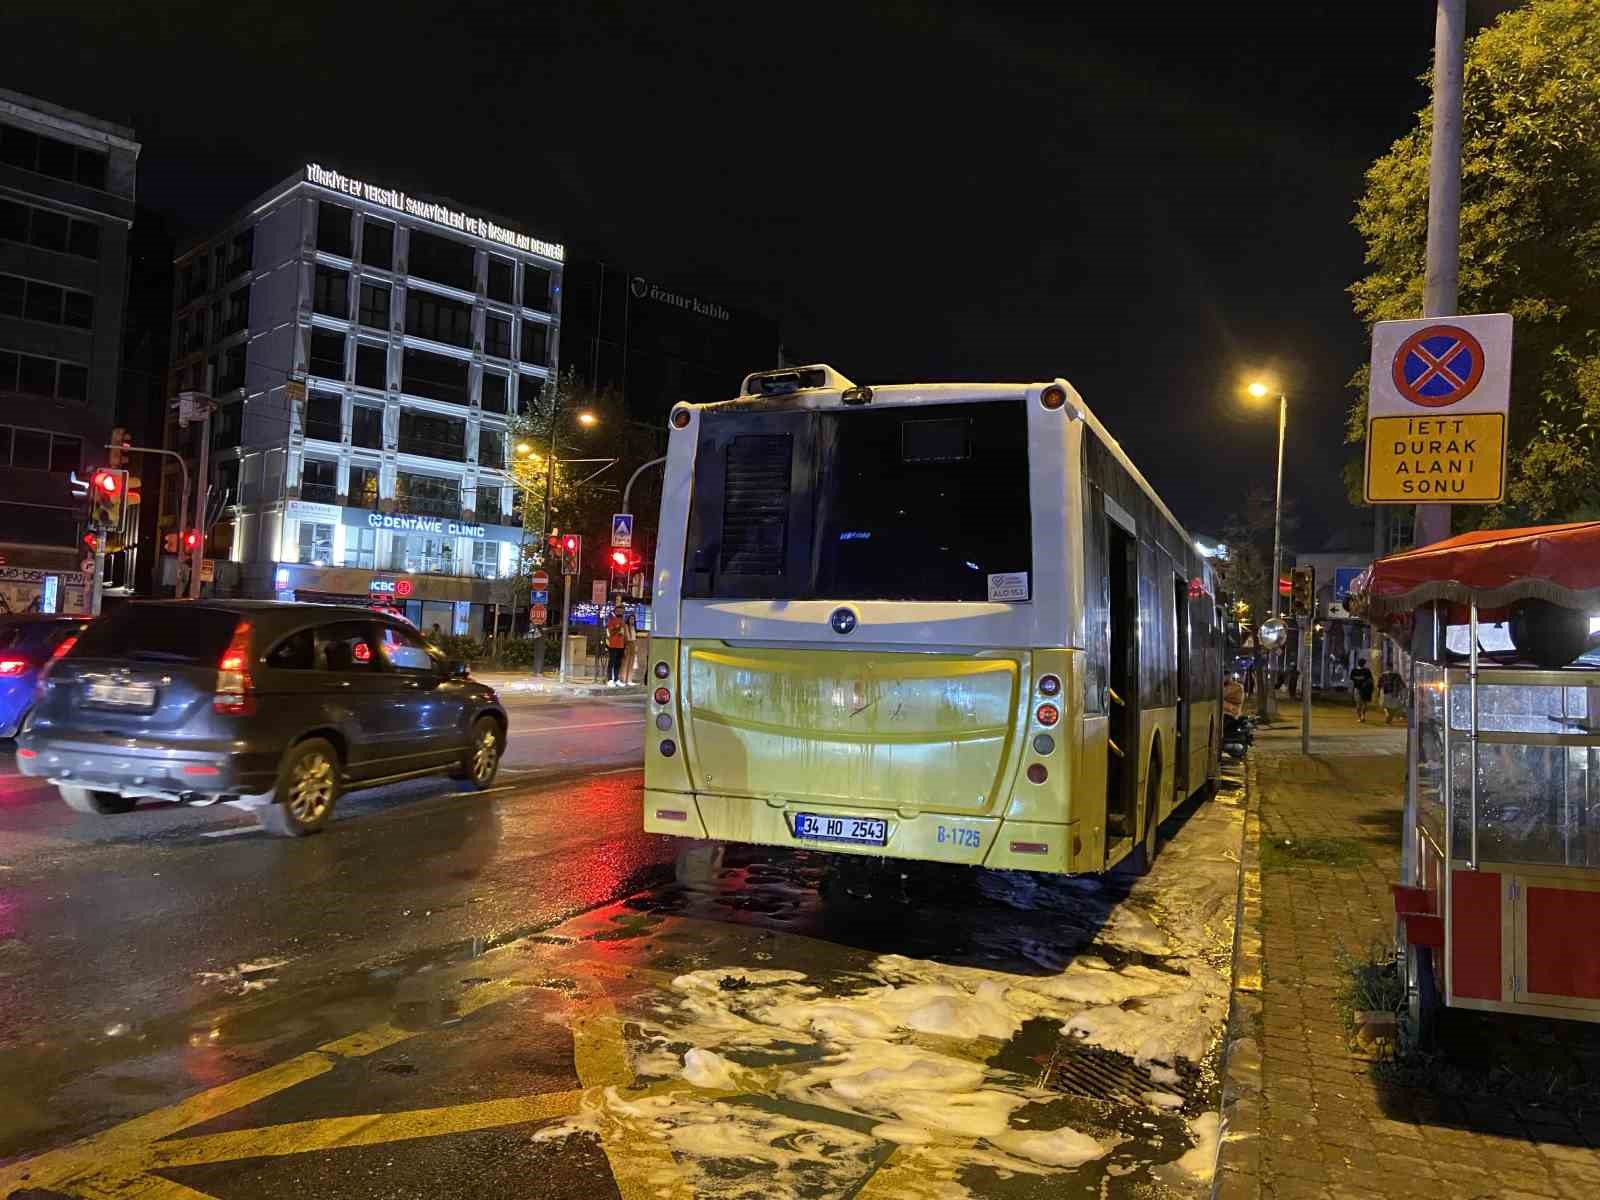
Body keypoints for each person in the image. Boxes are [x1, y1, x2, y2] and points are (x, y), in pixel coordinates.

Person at [604, 600, 627, 686]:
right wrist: (617, 628)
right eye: (619, 610)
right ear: (615, 611)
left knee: (618, 663)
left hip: (621, 645)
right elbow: (610, 632)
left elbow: (624, 633)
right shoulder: (612, 620)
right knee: (612, 662)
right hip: (613, 644)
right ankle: (610, 679)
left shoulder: (623, 621)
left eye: (622, 610)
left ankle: (616, 679)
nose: (620, 611)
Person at [1350, 657, 1375, 723]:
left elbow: (1370, 679)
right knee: (1359, 704)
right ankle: (1360, 716)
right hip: (1358, 688)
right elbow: (1352, 678)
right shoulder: (1355, 670)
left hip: (1364, 689)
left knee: (1363, 704)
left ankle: (1362, 716)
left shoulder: (1366, 670)